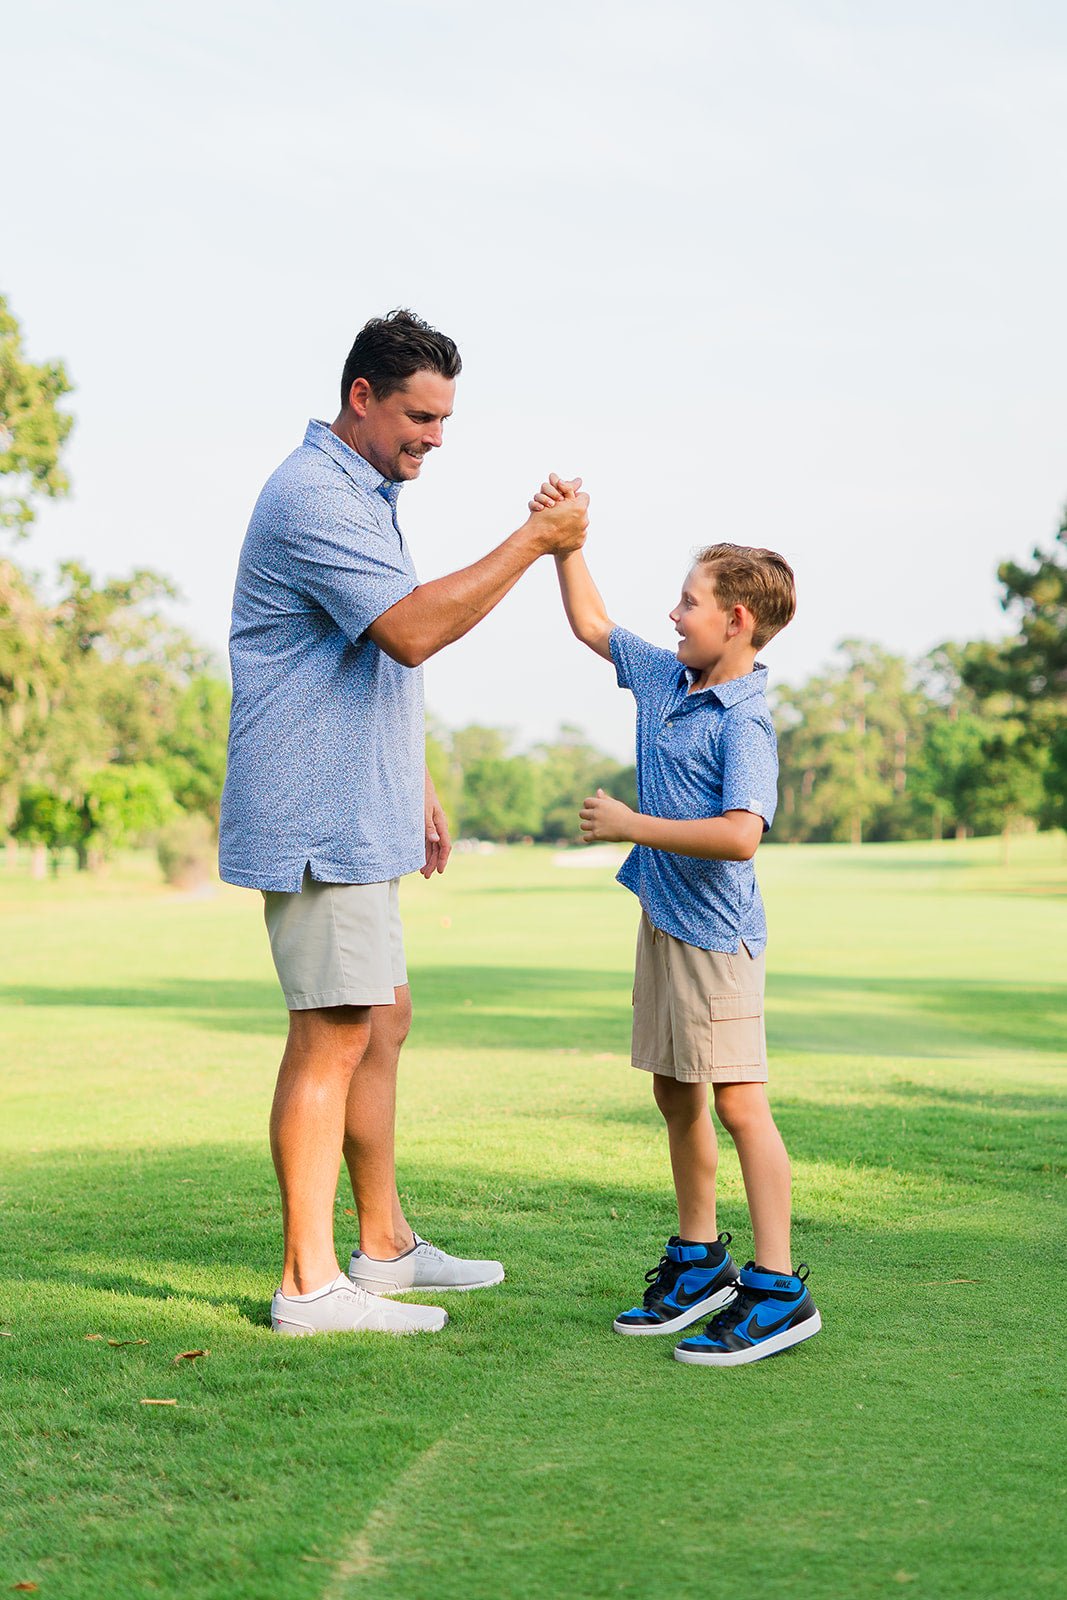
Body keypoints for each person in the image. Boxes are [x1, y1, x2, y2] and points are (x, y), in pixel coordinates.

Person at [220, 312, 589, 1336]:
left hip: (361, 805)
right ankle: (307, 1287)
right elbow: (412, 629)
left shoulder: (365, 494)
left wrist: (412, 779)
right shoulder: (314, 495)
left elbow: (365, 655)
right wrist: (534, 541)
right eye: (420, 417)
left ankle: (381, 1247)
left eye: (443, 419)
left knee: (380, 1020)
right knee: (332, 1031)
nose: (433, 437)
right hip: (316, 815)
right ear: (362, 397)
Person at [532, 475, 819, 1366]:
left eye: (688, 601)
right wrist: (565, 543)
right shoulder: (665, 677)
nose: (672, 613)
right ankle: (700, 1261)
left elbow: (740, 835)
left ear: (736, 619)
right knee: (673, 1089)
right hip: (662, 919)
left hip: (716, 938)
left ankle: (778, 1289)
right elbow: (590, 624)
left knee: (739, 1103)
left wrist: (632, 824)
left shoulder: (745, 722)